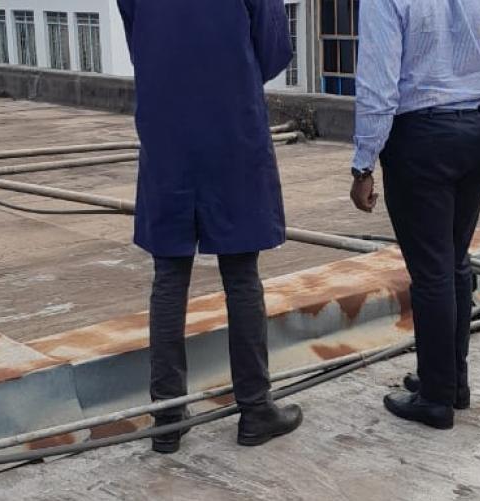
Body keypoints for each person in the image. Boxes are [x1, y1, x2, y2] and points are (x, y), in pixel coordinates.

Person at [116, 0, 303, 453]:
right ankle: (255, 409)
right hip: (230, 124)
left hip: (166, 128)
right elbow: (274, 48)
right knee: (240, 272)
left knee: (170, 271)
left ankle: (167, 419)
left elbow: (138, 39)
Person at [350, 0, 480, 429]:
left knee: (433, 272)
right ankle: (451, 380)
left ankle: (436, 398)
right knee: (455, 262)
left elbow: (378, 84)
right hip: (479, 132)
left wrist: (364, 163)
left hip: (423, 137)